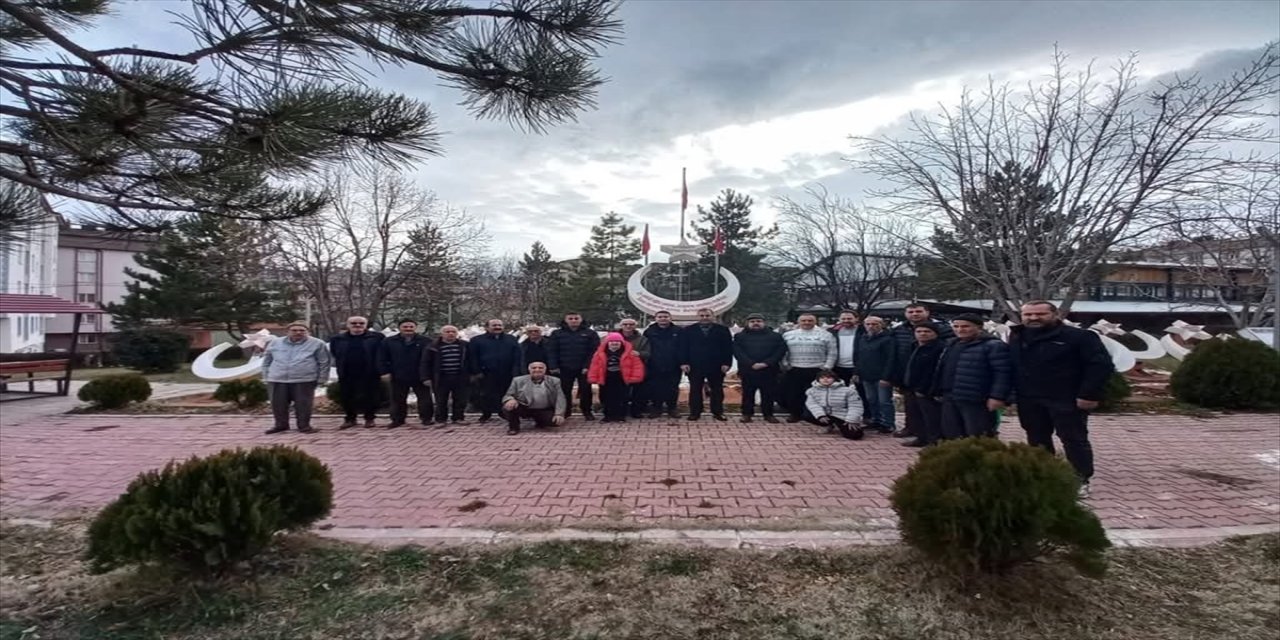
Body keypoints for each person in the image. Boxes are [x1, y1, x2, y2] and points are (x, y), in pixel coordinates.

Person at [1009, 300, 1114, 496]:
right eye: (1028, 315)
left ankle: (1080, 479)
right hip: (1030, 399)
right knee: (1037, 439)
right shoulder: (1017, 336)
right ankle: (1045, 476)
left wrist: (1089, 394)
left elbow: (1100, 366)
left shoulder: (1079, 337)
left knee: (1074, 440)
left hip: (1067, 399)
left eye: (1040, 314)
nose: (1033, 318)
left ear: (1055, 315)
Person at [932, 314, 1012, 440]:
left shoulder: (993, 345)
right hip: (951, 396)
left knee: (978, 435)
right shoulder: (952, 344)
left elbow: (1003, 373)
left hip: (977, 400)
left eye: (965, 326)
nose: (960, 330)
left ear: (979, 327)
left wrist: (997, 397)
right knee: (952, 434)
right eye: (956, 326)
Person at [884, 302, 955, 438]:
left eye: (918, 311)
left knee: (930, 408)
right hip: (907, 372)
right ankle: (912, 429)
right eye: (911, 312)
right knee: (911, 405)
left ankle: (932, 435)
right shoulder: (899, 330)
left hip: (930, 374)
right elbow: (893, 353)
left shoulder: (943, 329)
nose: (914, 314)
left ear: (927, 312)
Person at [262, 322, 331, 434]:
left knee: (303, 405)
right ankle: (281, 425)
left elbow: (324, 362)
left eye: (302, 330)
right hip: (277, 379)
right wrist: (266, 376)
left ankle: (304, 426)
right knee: (278, 404)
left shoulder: (318, 344)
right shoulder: (275, 343)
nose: (298, 332)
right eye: (294, 330)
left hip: (304, 380)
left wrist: (322, 378)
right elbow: (266, 361)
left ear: (308, 332)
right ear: (287, 332)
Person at [328, 316, 384, 429]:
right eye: (354, 323)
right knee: (347, 396)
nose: (357, 325)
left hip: (370, 372)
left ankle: (369, 419)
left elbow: (382, 353)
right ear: (348, 325)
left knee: (371, 396)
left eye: (361, 323)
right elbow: (335, 353)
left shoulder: (377, 337)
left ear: (366, 325)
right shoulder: (337, 339)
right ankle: (350, 419)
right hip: (346, 372)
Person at [678, 308, 734, 421]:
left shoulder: (722, 330)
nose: (705, 317)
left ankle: (718, 412)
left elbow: (728, 348)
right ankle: (695, 412)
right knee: (695, 390)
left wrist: (727, 363)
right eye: (702, 315)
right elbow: (683, 347)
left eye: (707, 315)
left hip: (717, 365)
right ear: (698, 317)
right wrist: (683, 362)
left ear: (712, 316)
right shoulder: (688, 330)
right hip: (695, 365)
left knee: (717, 390)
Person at [781, 313, 837, 423]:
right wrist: (785, 364)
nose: (807, 322)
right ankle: (795, 414)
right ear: (798, 322)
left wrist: (827, 367)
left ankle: (813, 415)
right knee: (793, 393)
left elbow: (832, 352)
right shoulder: (788, 335)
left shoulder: (826, 335)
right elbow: (783, 351)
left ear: (815, 321)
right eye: (804, 320)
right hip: (795, 368)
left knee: (815, 394)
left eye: (810, 320)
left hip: (817, 369)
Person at [732, 313, 787, 423]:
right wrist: (751, 363)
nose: (755, 323)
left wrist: (766, 363)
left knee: (768, 394)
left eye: (758, 321)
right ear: (747, 323)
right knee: (748, 394)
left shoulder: (775, 336)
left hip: (769, 370)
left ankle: (768, 414)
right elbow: (738, 352)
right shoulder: (739, 336)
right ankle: (747, 414)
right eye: (752, 321)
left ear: (764, 323)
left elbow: (780, 351)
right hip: (748, 370)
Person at [379, 319, 433, 428]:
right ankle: (397, 420)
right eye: (405, 327)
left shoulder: (426, 341)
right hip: (398, 374)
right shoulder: (389, 341)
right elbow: (382, 357)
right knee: (397, 399)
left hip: (420, 375)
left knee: (425, 399)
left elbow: (431, 359)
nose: (408, 329)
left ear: (415, 328)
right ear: (399, 328)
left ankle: (426, 419)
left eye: (411, 327)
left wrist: (429, 374)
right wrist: (384, 372)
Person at [898, 324, 946, 448]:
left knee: (931, 418)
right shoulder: (914, 346)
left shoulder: (940, 348)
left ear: (935, 333)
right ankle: (921, 438)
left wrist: (925, 389)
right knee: (916, 416)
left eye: (927, 331)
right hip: (911, 387)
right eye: (919, 331)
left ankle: (934, 442)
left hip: (927, 389)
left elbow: (935, 371)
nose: (922, 334)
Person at [547, 312, 600, 420]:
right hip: (564, 367)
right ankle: (566, 411)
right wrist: (553, 366)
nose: (573, 320)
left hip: (584, 368)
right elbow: (552, 351)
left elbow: (594, 351)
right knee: (564, 390)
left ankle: (587, 411)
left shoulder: (590, 333)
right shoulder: (557, 334)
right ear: (565, 320)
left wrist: (587, 366)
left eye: (576, 318)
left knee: (586, 390)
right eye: (570, 318)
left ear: (581, 319)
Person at [470, 319, 522, 423]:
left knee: (505, 392)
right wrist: (476, 371)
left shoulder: (511, 339)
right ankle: (486, 413)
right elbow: (472, 357)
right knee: (486, 394)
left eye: (500, 325)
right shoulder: (477, 340)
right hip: (486, 373)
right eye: (494, 325)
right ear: (487, 327)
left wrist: (516, 371)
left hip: (507, 372)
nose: (497, 327)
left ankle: (504, 412)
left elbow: (517, 356)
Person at [588, 332, 646, 423]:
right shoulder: (599, 353)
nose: (614, 343)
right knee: (605, 398)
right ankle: (608, 416)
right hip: (606, 379)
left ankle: (620, 416)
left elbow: (637, 366)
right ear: (607, 343)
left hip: (622, 379)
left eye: (617, 342)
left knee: (622, 398)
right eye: (612, 341)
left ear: (621, 343)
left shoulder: (630, 353)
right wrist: (593, 377)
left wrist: (635, 377)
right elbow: (594, 366)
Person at [421, 325, 474, 425]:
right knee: (441, 400)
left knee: (460, 399)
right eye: (447, 332)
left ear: (457, 333)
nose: (451, 334)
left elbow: (471, 360)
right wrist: (425, 377)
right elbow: (425, 363)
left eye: (453, 332)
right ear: (442, 334)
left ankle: (458, 418)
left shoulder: (465, 345)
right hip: (441, 378)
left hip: (460, 377)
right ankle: (441, 419)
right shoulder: (432, 346)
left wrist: (472, 374)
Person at [853, 316, 896, 433]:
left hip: (882, 376)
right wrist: (857, 372)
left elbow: (891, 359)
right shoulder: (863, 338)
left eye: (874, 324)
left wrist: (886, 377)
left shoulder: (888, 339)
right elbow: (859, 357)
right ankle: (876, 420)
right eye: (868, 324)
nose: (871, 326)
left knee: (884, 401)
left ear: (881, 325)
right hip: (866, 375)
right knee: (871, 400)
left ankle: (888, 424)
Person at [501, 362, 567, 435]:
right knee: (508, 407)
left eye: (540, 368)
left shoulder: (555, 381)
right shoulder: (517, 380)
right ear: (529, 370)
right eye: (534, 368)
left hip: (544, 409)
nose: (537, 370)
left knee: (555, 422)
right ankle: (514, 428)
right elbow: (508, 395)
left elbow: (560, 397)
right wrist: (510, 399)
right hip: (525, 407)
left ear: (545, 370)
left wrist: (559, 414)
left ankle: (539, 421)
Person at [804, 368, 865, 440]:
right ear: (818, 379)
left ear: (835, 379)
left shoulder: (848, 391)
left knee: (855, 435)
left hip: (843, 416)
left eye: (829, 377)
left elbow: (855, 406)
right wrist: (820, 415)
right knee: (806, 414)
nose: (825, 379)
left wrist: (852, 420)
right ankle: (827, 425)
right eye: (822, 378)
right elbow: (812, 404)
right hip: (825, 414)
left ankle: (848, 426)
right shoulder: (812, 391)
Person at [643, 310, 683, 418]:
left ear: (670, 318)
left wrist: (682, 362)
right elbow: (646, 347)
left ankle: (672, 408)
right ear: (655, 318)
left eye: (665, 316)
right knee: (655, 387)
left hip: (674, 364)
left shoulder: (678, 331)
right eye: (660, 317)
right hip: (654, 364)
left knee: (673, 387)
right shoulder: (649, 331)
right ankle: (656, 408)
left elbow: (683, 347)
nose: (663, 319)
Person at [617, 318, 651, 418]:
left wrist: (639, 353)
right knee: (621, 391)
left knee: (638, 391)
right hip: (619, 369)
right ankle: (621, 411)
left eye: (631, 324)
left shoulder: (643, 339)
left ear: (635, 326)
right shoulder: (614, 337)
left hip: (637, 369)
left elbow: (648, 353)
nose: (628, 326)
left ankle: (636, 411)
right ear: (621, 326)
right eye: (625, 324)